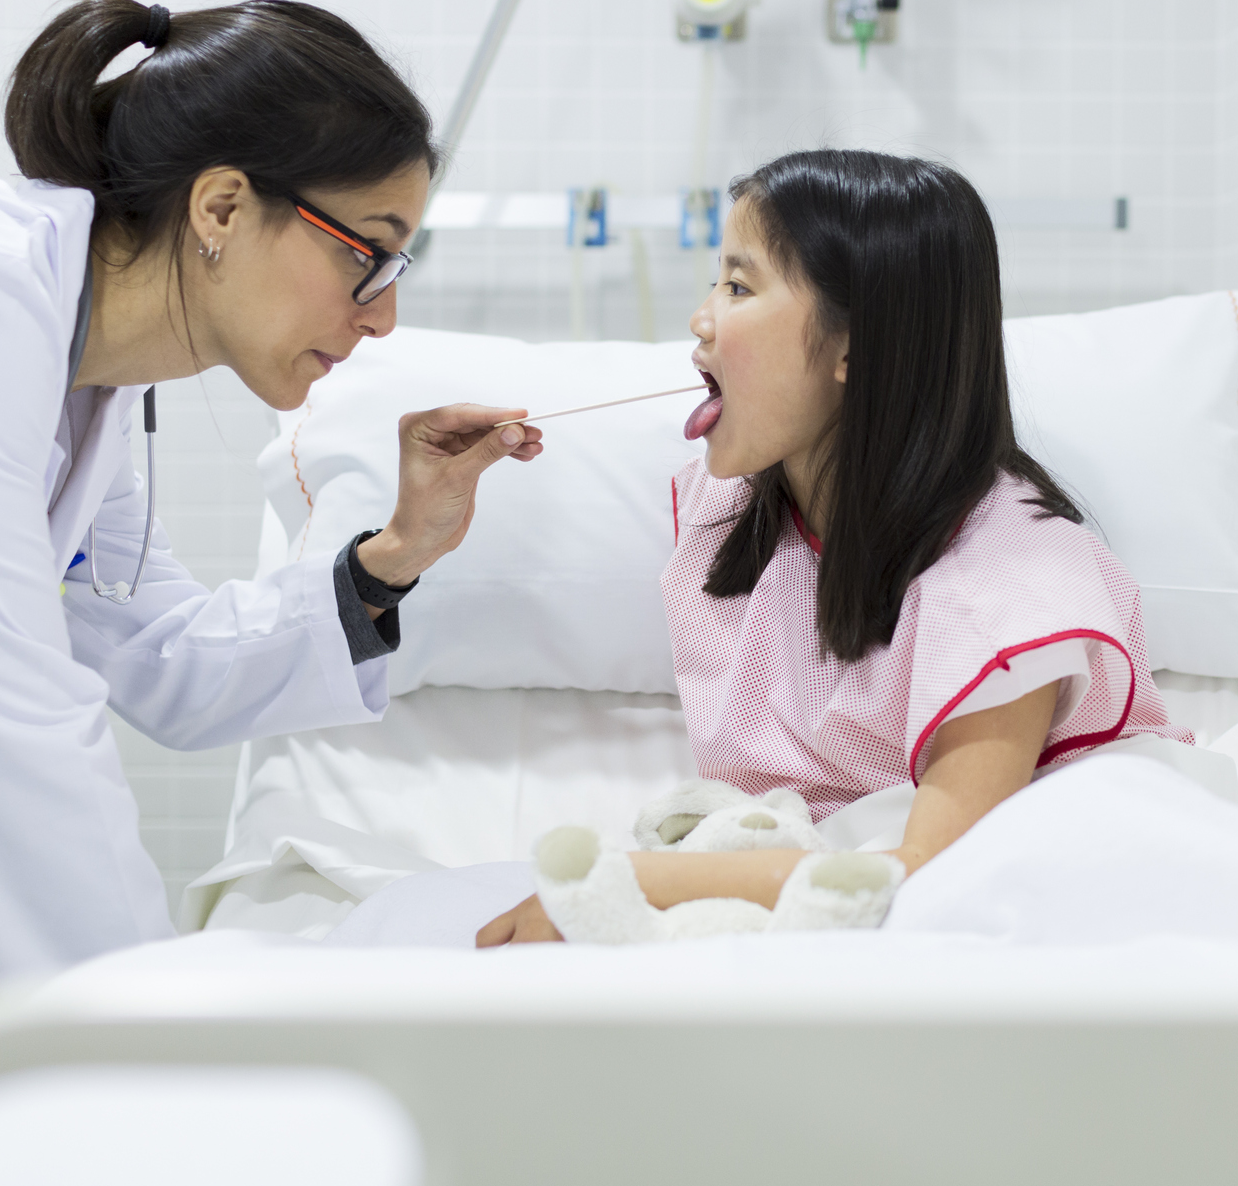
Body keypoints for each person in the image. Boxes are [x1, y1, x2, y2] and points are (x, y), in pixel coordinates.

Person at [0, 0, 541, 975]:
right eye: (368, 254)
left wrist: (394, 554)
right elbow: (16, 725)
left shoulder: (83, 380)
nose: (385, 315)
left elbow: (161, 656)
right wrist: (156, 1028)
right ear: (223, 208)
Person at [476, 150, 1189, 945]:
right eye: (717, 280)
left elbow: (931, 870)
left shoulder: (1008, 588)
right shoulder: (736, 520)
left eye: (739, 287)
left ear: (857, 346)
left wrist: (640, 883)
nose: (701, 318)